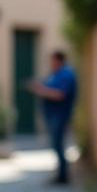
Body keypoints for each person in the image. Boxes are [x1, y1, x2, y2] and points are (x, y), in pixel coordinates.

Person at [28, 50, 78, 184]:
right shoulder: (56, 74)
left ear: (59, 60)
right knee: (57, 146)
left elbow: (60, 94)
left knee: (59, 146)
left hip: (60, 116)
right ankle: (61, 175)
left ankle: (63, 176)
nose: (51, 63)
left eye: (53, 60)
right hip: (54, 116)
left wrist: (41, 91)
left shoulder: (66, 74)